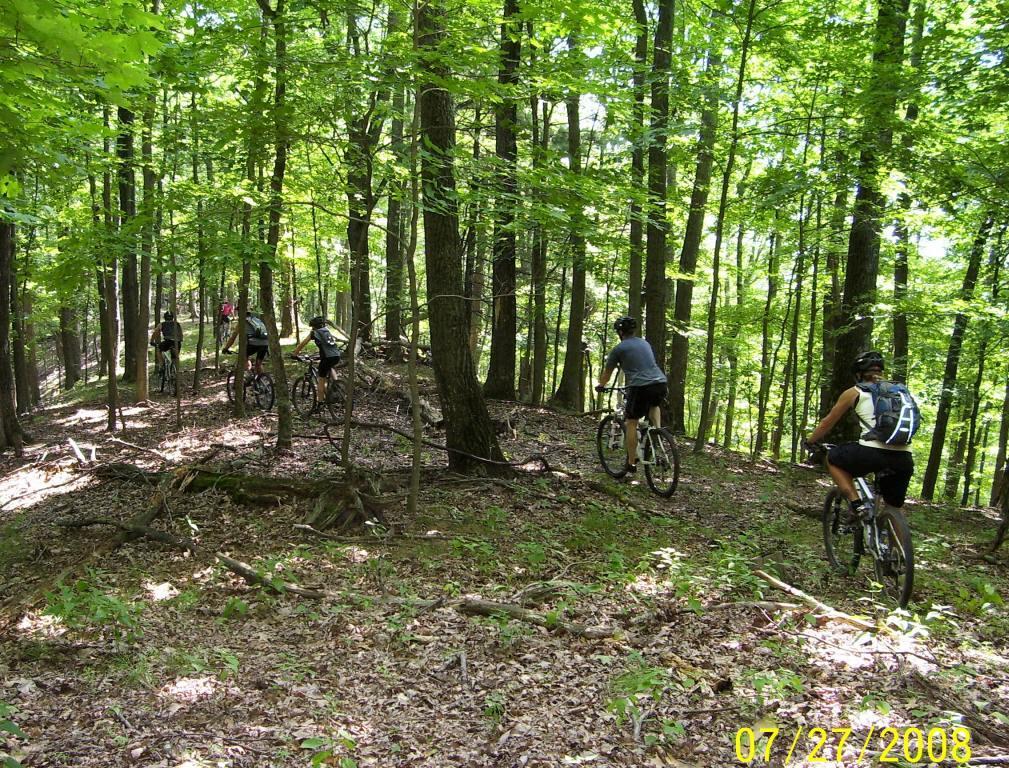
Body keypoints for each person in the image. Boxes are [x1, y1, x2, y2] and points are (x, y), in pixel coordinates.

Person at [805, 351, 914, 523]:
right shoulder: (900, 391)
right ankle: (897, 547)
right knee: (895, 508)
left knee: (833, 458)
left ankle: (857, 504)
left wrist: (810, 442)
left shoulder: (855, 392)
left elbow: (827, 422)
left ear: (858, 373)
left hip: (871, 453)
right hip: (904, 457)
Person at [595, 316, 668, 474]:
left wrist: (601, 385)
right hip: (660, 382)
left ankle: (631, 462)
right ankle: (657, 432)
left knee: (631, 423)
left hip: (640, 386)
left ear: (620, 332)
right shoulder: (644, 343)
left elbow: (607, 373)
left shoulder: (619, 349)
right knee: (654, 405)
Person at [289, 316, 343, 410]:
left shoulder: (314, 333)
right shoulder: (327, 330)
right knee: (330, 367)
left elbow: (303, 343)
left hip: (327, 357)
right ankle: (336, 384)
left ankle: (320, 403)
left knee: (321, 380)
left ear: (314, 326)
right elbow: (327, 345)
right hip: (337, 355)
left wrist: (295, 354)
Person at [222, 310, 270, 375]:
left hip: (252, 344)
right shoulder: (257, 320)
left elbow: (233, 337)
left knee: (244, 358)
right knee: (258, 364)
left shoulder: (241, 322)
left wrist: (226, 348)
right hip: (265, 343)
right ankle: (261, 380)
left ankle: (247, 375)